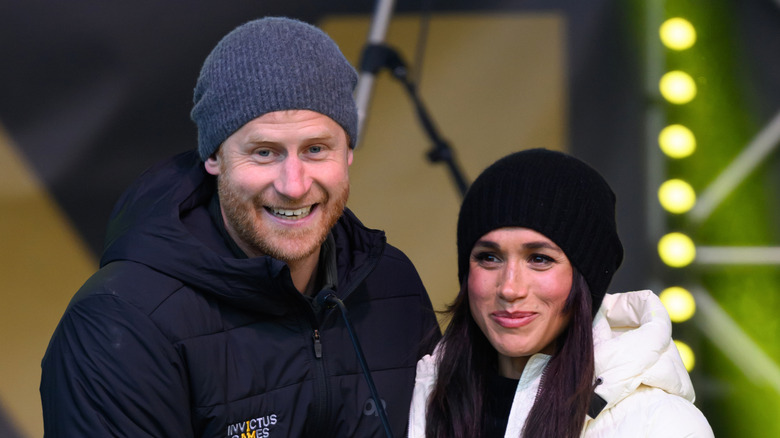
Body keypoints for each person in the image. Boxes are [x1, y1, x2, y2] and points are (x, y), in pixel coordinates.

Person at [40, 17, 439, 437]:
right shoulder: (119, 321)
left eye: (316, 149)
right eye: (265, 152)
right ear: (214, 158)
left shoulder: (392, 285)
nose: (294, 184)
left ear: (348, 153)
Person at [407, 149, 713, 437]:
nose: (510, 288)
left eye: (539, 259)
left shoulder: (660, 424)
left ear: (586, 279)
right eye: (489, 257)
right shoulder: (419, 395)